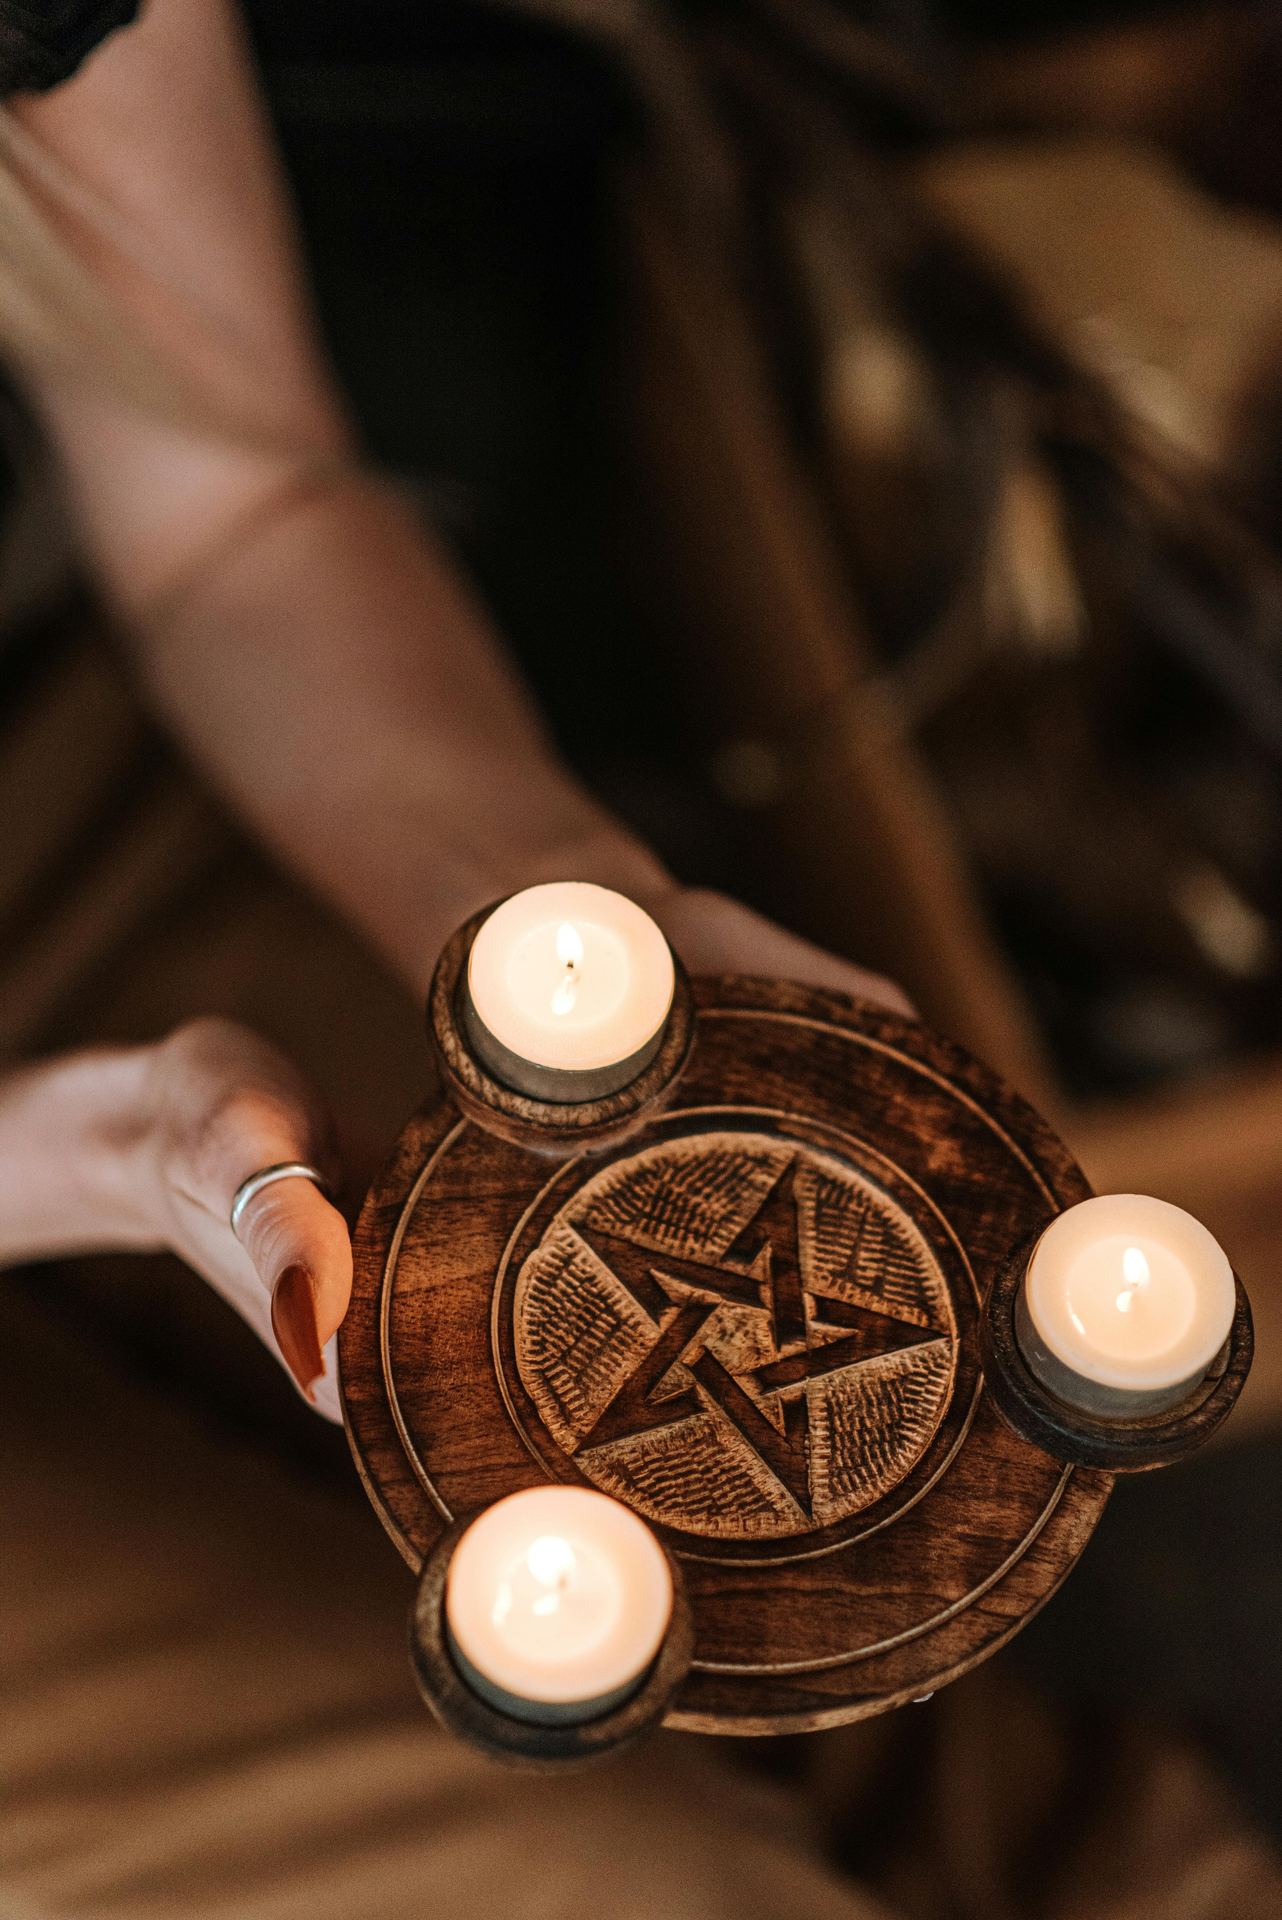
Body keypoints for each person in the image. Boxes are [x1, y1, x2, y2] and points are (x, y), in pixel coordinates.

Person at [1, 7, 1278, 1920]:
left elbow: (228, 501)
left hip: (50, 781)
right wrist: (90, 1150)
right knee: (585, 1881)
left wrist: (544, 913)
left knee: (817, 1572)